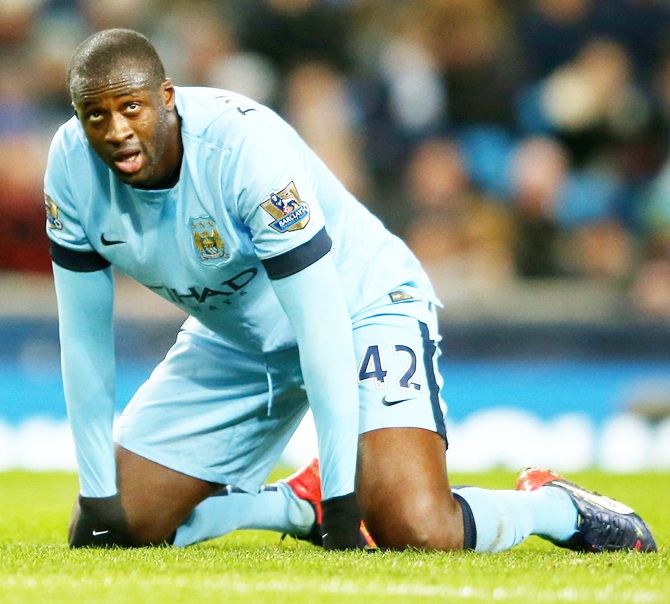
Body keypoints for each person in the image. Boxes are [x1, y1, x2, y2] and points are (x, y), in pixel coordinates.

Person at [46, 28, 657, 554]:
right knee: (112, 529)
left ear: (167, 98)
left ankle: (558, 508)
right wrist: (98, 493)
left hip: (357, 306)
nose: (117, 130)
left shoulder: (242, 150)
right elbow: (83, 343)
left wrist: (345, 498)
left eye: (132, 107)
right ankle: (293, 505)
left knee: (415, 529)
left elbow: (321, 325)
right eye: (96, 115)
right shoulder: (69, 170)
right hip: (237, 335)